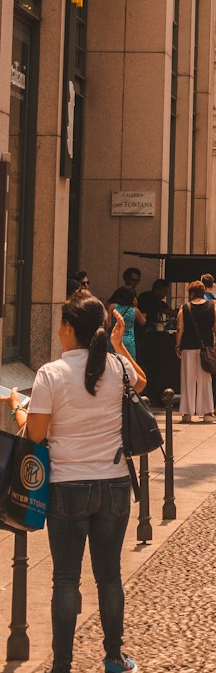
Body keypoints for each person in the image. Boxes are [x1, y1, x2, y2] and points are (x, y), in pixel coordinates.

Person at [6, 295, 144, 673]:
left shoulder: (51, 374)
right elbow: (142, 382)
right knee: (109, 575)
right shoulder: (116, 366)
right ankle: (114, 657)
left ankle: (62, 665)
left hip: (67, 485)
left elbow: (35, 435)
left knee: (65, 579)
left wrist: (17, 406)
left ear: (67, 328)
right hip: (114, 485)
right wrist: (118, 347)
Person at [176, 280, 216, 423]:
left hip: (188, 347)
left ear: (192, 292)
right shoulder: (212, 307)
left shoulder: (185, 307)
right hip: (206, 347)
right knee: (205, 379)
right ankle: (207, 412)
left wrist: (178, 345)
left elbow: (179, 328)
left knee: (187, 379)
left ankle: (187, 413)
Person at [136, 277, 172, 402]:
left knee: (145, 365)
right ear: (158, 290)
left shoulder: (143, 297)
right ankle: (153, 392)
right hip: (150, 337)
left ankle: (146, 391)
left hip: (141, 337)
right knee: (154, 365)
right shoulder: (155, 301)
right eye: (165, 291)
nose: (165, 294)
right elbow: (170, 312)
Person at [107, 274, 145, 362]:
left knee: (113, 363)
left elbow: (108, 325)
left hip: (114, 339)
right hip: (129, 341)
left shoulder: (113, 307)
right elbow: (143, 322)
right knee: (129, 364)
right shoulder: (135, 310)